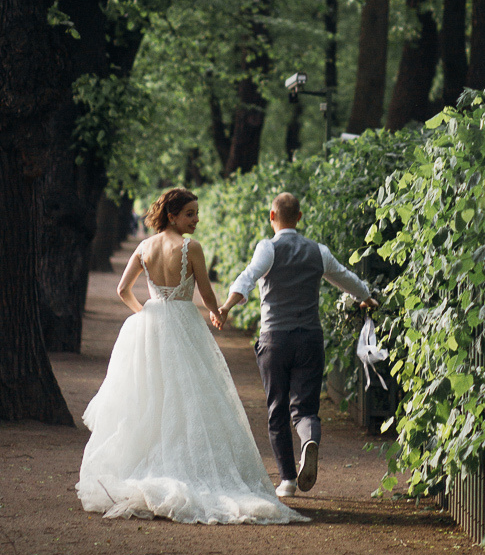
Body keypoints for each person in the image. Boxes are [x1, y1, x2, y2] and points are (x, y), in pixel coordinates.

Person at [76, 186, 300, 525]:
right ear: (172, 215)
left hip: (149, 327)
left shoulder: (144, 248)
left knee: (150, 397)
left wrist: (144, 313)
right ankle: (185, 467)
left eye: (196, 213)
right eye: (190, 214)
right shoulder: (190, 248)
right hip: (183, 323)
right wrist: (218, 313)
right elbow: (207, 293)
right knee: (189, 397)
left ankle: (146, 465)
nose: (196, 220)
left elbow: (123, 291)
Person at [218, 191, 377, 500]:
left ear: (271, 217)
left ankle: (288, 480)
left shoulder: (268, 248)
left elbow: (248, 277)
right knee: (305, 409)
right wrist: (366, 297)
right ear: (300, 218)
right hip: (309, 338)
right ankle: (309, 441)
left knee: (277, 409)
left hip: (274, 339)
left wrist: (226, 307)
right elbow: (346, 278)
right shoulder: (318, 251)